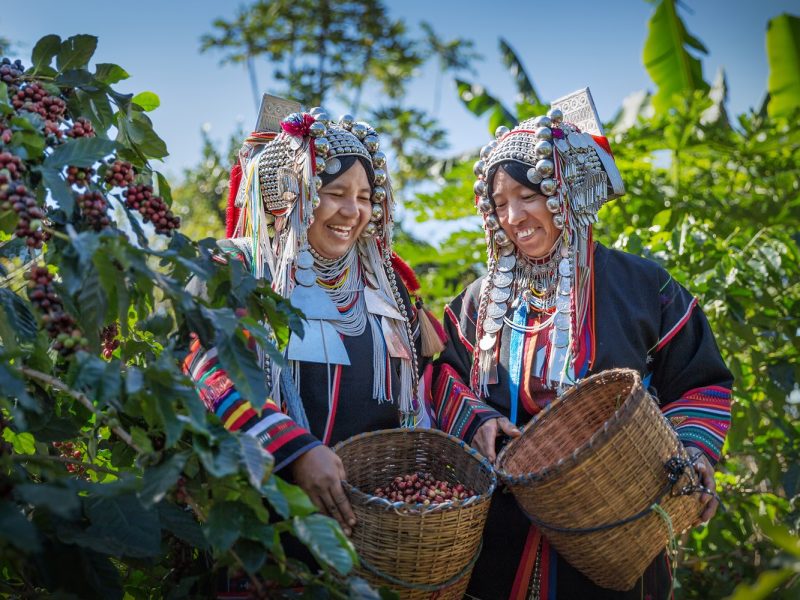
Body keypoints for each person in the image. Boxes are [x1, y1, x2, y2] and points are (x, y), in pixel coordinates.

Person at [426, 92, 733, 599]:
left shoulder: (642, 286)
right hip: (505, 527)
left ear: (565, 194)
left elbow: (700, 380)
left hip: (616, 524)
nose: (513, 217)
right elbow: (443, 374)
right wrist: (477, 418)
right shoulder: (479, 301)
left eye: (529, 196)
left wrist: (693, 451)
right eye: (500, 204)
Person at [183, 103, 442, 539]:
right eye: (335, 192)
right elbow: (206, 367)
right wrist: (296, 451)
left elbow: (424, 379)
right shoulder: (237, 268)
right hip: (271, 521)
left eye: (364, 198)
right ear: (291, 192)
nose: (351, 211)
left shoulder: (387, 284)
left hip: (379, 528)